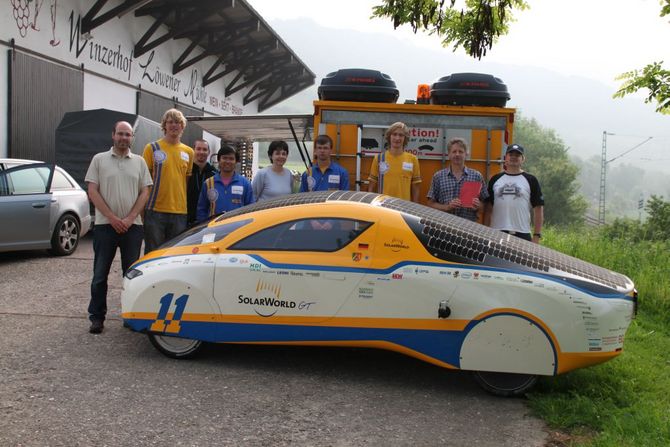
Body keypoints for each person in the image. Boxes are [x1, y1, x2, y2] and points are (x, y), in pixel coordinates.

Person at [85, 121, 153, 334]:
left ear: (132, 138)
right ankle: (97, 318)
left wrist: (131, 217)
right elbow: (92, 191)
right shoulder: (99, 160)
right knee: (99, 275)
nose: (124, 138)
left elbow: (145, 191)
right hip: (106, 226)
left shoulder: (140, 162)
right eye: (121, 134)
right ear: (113, 135)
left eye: (128, 134)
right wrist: (113, 217)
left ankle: (130, 315)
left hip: (133, 228)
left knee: (130, 275)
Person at [142, 108, 194, 253]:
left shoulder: (189, 152)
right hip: (155, 211)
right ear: (164, 125)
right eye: (170, 122)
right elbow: (144, 182)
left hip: (179, 212)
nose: (174, 125)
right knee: (153, 252)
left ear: (182, 126)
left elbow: (185, 181)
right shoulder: (151, 148)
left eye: (177, 122)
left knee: (174, 254)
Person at [484, 143, 544, 243]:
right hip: (496, 233)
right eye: (511, 154)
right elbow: (488, 209)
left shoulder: (531, 180)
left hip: (522, 233)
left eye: (517, 155)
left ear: (523, 159)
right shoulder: (495, 179)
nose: (514, 157)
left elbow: (538, 209)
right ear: (505, 157)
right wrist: (486, 231)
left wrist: (536, 235)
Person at [426, 137, 488, 222]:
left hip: (469, 226)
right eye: (454, 151)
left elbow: (486, 206)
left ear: (466, 154)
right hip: (445, 226)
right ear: (449, 155)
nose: (457, 154)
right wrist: (447, 207)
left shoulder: (476, 176)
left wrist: (478, 205)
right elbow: (430, 204)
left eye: (461, 151)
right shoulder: (438, 176)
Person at [196, 145, 254, 222]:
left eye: (231, 159)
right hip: (214, 228)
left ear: (236, 162)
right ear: (219, 160)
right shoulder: (209, 183)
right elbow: (201, 210)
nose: (227, 161)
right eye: (224, 158)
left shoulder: (245, 183)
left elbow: (251, 208)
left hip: (237, 228)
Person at [367, 121, 421, 202]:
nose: (397, 138)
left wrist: (415, 207)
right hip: (383, 206)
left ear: (405, 138)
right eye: (394, 134)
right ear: (389, 136)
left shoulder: (413, 160)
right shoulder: (379, 158)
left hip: (404, 207)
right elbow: (371, 186)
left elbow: (416, 187)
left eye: (401, 135)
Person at [186, 139, 216, 227]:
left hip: (207, 221)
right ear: (193, 150)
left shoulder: (214, 174)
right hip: (185, 219)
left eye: (204, 149)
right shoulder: (186, 171)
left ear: (209, 152)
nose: (201, 152)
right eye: (198, 149)